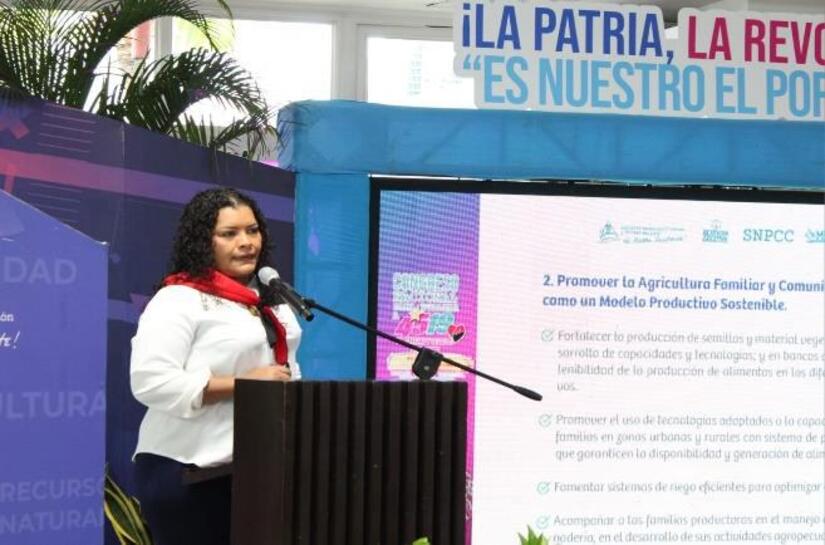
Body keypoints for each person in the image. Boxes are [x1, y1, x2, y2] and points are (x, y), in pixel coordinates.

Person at [129, 187, 301, 545]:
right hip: (186, 471)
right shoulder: (178, 299)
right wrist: (244, 384)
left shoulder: (270, 300)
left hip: (257, 467)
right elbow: (151, 382)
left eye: (252, 230)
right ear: (203, 242)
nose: (246, 242)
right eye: (229, 233)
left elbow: (283, 373)